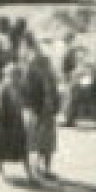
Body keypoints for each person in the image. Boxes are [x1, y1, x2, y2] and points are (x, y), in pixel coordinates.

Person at [0, 63, 33, 180]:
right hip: (5, 120)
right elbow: (0, 106)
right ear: (9, 75)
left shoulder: (19, 87)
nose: (17, 78)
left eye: (18, 75)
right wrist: (2, 120)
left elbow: (24, 100)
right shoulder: (3, 87)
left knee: (22, 146)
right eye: (14, 75)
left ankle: (28, 172)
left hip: (17, 120)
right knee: (2, 146)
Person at [23, 40, 61, 179]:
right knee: (40, 140)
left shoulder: (44, 74)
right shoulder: (34, 73)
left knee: (45, 141)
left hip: (45, 111)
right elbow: (29, 93)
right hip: (40, 111)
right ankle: (38, 167)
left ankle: (42, 168)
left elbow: (54, 93)